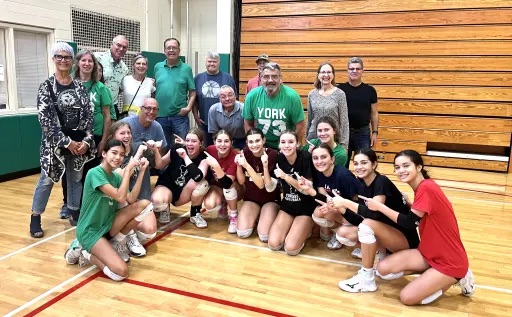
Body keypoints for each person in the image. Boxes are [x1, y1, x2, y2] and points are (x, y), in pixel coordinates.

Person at [356, 150, 475, 305]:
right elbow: (425, 215)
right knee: (383, 269)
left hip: (449, 261)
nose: (401, 170)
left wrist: (379, 206)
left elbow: (410, 222)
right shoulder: (422, 187)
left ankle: (459, 276)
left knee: (407, 297)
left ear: (419, 167)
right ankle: (437, 276)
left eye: (406, 165)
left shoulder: (426, 188)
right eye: (397, 167)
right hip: (428, 253)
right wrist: (410, 204)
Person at [313, 148, 419, 293]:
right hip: (387, 235)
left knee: (367, 225)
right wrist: (341, 208)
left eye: (364, 163)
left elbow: (373, 216)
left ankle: (367, 279)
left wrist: (345, 202)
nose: (359, 167)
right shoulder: (362, 184)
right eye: (356, 164)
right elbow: (359, 219)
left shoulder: (381, 181)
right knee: (343, 233)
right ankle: (383, 255)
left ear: (374, 164)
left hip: (404, 239)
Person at [30, 42, 94, 238]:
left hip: (78, 144)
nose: (63, 60)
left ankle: (74, 211)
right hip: (54, 146)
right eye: (59, 56)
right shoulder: (46, 87)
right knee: (46, 180)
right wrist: (67, 143)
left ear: (72, 60)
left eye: (67, 57)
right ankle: (35, 216)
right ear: (53, 59)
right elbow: (45, 121)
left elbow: (88, 117)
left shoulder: (80, 88)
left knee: (75, 179)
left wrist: (86, 141)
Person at [67, 139, 153, 281]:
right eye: (114, 153)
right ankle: (85, 253)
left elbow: (131, 199)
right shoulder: (94, 173)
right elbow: (120, 197)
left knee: (145, 205)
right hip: (90, 231)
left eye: (122, 154)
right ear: (104, 153)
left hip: (107, 226)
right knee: (121, 272)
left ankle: (113, 243)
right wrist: (127, 172)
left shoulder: (114, 177)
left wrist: (142, 171)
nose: (118, 157)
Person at [105, 122, 158, 257]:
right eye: (122, 133)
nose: (127, 136)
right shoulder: (114, 156)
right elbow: (120, 175)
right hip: (120, 203)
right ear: (113, 137)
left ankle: (125, 233)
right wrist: (138, 155)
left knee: (150, 230)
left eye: (128, 133)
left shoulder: (139, 146)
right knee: (124, 202)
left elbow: (159, 164)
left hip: (139, 198)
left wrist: (155, 149)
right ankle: (125, 237)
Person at [299, 144, 361, 250]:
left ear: (332, 159)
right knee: (318, 213)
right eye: (315, 158)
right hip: (342, 211)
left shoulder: (343, 176)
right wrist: (309, 189)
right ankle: (340, 234)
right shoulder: (320, 173)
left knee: (329, 215)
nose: (319, 161)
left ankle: (362, 244)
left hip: (358, 216)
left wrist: (338, 207)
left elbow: (360, 205)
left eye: (323, 157)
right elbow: (324, 198)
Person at [267, 131, 315, 255]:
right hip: (288, 206)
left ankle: (309, 227)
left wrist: (286, 177)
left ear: (297, 144)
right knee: (274, 244)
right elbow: (270, 185)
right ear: (279, 145)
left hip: (305, 207)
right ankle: (295, 228)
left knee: (291, 249)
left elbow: (306, 190)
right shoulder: (279, 158)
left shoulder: (305, 157)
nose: (286, 145)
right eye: (283, 142)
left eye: (291, 142)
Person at [151, 127, 209, 228]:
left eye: (194, 141)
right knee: (157, 202)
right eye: (187, 140)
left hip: (184, 190)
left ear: (200, 143)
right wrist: (156, 150)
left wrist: (185, 157)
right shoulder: (176, 149)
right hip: (168, 185)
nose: (189, 144)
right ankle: (165, 208)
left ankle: (195, 214)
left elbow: (198, 177)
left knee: (202, 184)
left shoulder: (203, 157)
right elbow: (159, 165)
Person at [243, 62, 306, 149]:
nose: (270, 80)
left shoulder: (292, 96)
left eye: (274, 76)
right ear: (261, 79)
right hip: (261, 145)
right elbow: (248, 124)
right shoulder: (252, 96)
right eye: (266, 77)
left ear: (280, 79)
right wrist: (254, 144)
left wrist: (293, 145)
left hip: (285, 146)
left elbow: (300, 125)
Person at [235, 128, 280, 242]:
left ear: (263, 140)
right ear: (247, 143)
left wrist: (246, 165)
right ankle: (257, 215)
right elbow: (241, 181)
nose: (254, 145)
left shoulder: (272, 155)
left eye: (257, 141)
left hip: (270, 199)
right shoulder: (244, 153)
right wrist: (239, 165)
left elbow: (261, 185)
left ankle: (265, 216)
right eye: (251, 142)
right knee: (242, 233)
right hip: (252, 199)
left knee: (264, 236)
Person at [337, 57, 378, 168]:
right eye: (351, 69)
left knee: (363, 164)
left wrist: (374, 132)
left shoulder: (370, 90)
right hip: (344, 133)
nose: (354, 71)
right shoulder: (339, 90)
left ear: (362, 71)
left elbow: (374, 113)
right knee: (342, 164)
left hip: (363, 133)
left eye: (357, 69)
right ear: (347, 70)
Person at [154, 37, 196, 144]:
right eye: (169, 48)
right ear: (164, 51)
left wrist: (188, 108)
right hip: (160, 116)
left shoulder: (186, 69)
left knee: (181, 147)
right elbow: (153, 89)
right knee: (162, 147)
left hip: (179, 117)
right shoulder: (157, 67)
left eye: (174, 48)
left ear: (179, 50)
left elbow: (192, 91)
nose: (171, 50)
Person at [202, 130, 244, 233]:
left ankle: (234, 216)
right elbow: (196, 149)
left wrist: (216, 166)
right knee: (209, 204)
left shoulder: (234, 155)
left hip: (235, 188)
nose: (222, 144)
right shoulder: (210, 150)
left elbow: (227, 183)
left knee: (228, 188)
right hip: (217, 186)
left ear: (231, 143)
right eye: (219, 141)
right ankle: (224, 203)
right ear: (214, 142)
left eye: (226, 141)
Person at [193, 51, 236, 146]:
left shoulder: (227, 78)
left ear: (219, 63)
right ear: (205, 62)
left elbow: (233, 100)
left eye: (214, 61)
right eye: (209, 61)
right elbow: (194, 100)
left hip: (224, 123)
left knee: (223, 147)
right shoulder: (197, 78)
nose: (212, 64)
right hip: (204, 123)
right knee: (206, 148)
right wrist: (196, 117)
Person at [306, 62, 349, 150]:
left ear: (333, 75)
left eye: (329, 72)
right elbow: (309, 120)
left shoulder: (340, 94)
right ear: (318, 75)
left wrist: (344, 144)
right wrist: (307, 140)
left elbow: (344, 121)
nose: (326, 75)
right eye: (323, 72)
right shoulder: (312, 94)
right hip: (314, 140)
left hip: (333, 140)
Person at [94, 35, 130, 117]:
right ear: (112, 44)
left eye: (124, 47)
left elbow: (119, 88)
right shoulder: (96, 58)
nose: (121, 49)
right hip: (95, 106)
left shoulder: (124, 69)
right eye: (118, 45)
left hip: (112, 107)